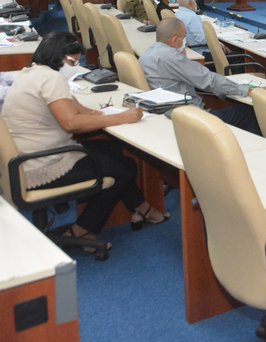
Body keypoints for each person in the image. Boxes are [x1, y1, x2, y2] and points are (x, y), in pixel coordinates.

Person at [2, 32, 168, 250]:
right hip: (42, 166)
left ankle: (142, 209)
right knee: (125, 167)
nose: (76, 65)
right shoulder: (51, 79)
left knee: (113, 149)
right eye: (73, 60)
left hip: (25, 160)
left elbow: (74, 107)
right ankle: (84, 229)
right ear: (58, 56)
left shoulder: (31, 73)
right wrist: (122, 117)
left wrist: (101, 114)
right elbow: (71, 123)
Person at [139, 18, 260, 135]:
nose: (185, 40)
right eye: (184, 36)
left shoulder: (147, 55)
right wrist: (246, 90)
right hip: (191, 117)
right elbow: (209, 80)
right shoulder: (172, 57)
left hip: (168, 112)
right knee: (249, 112)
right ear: (175, 39)